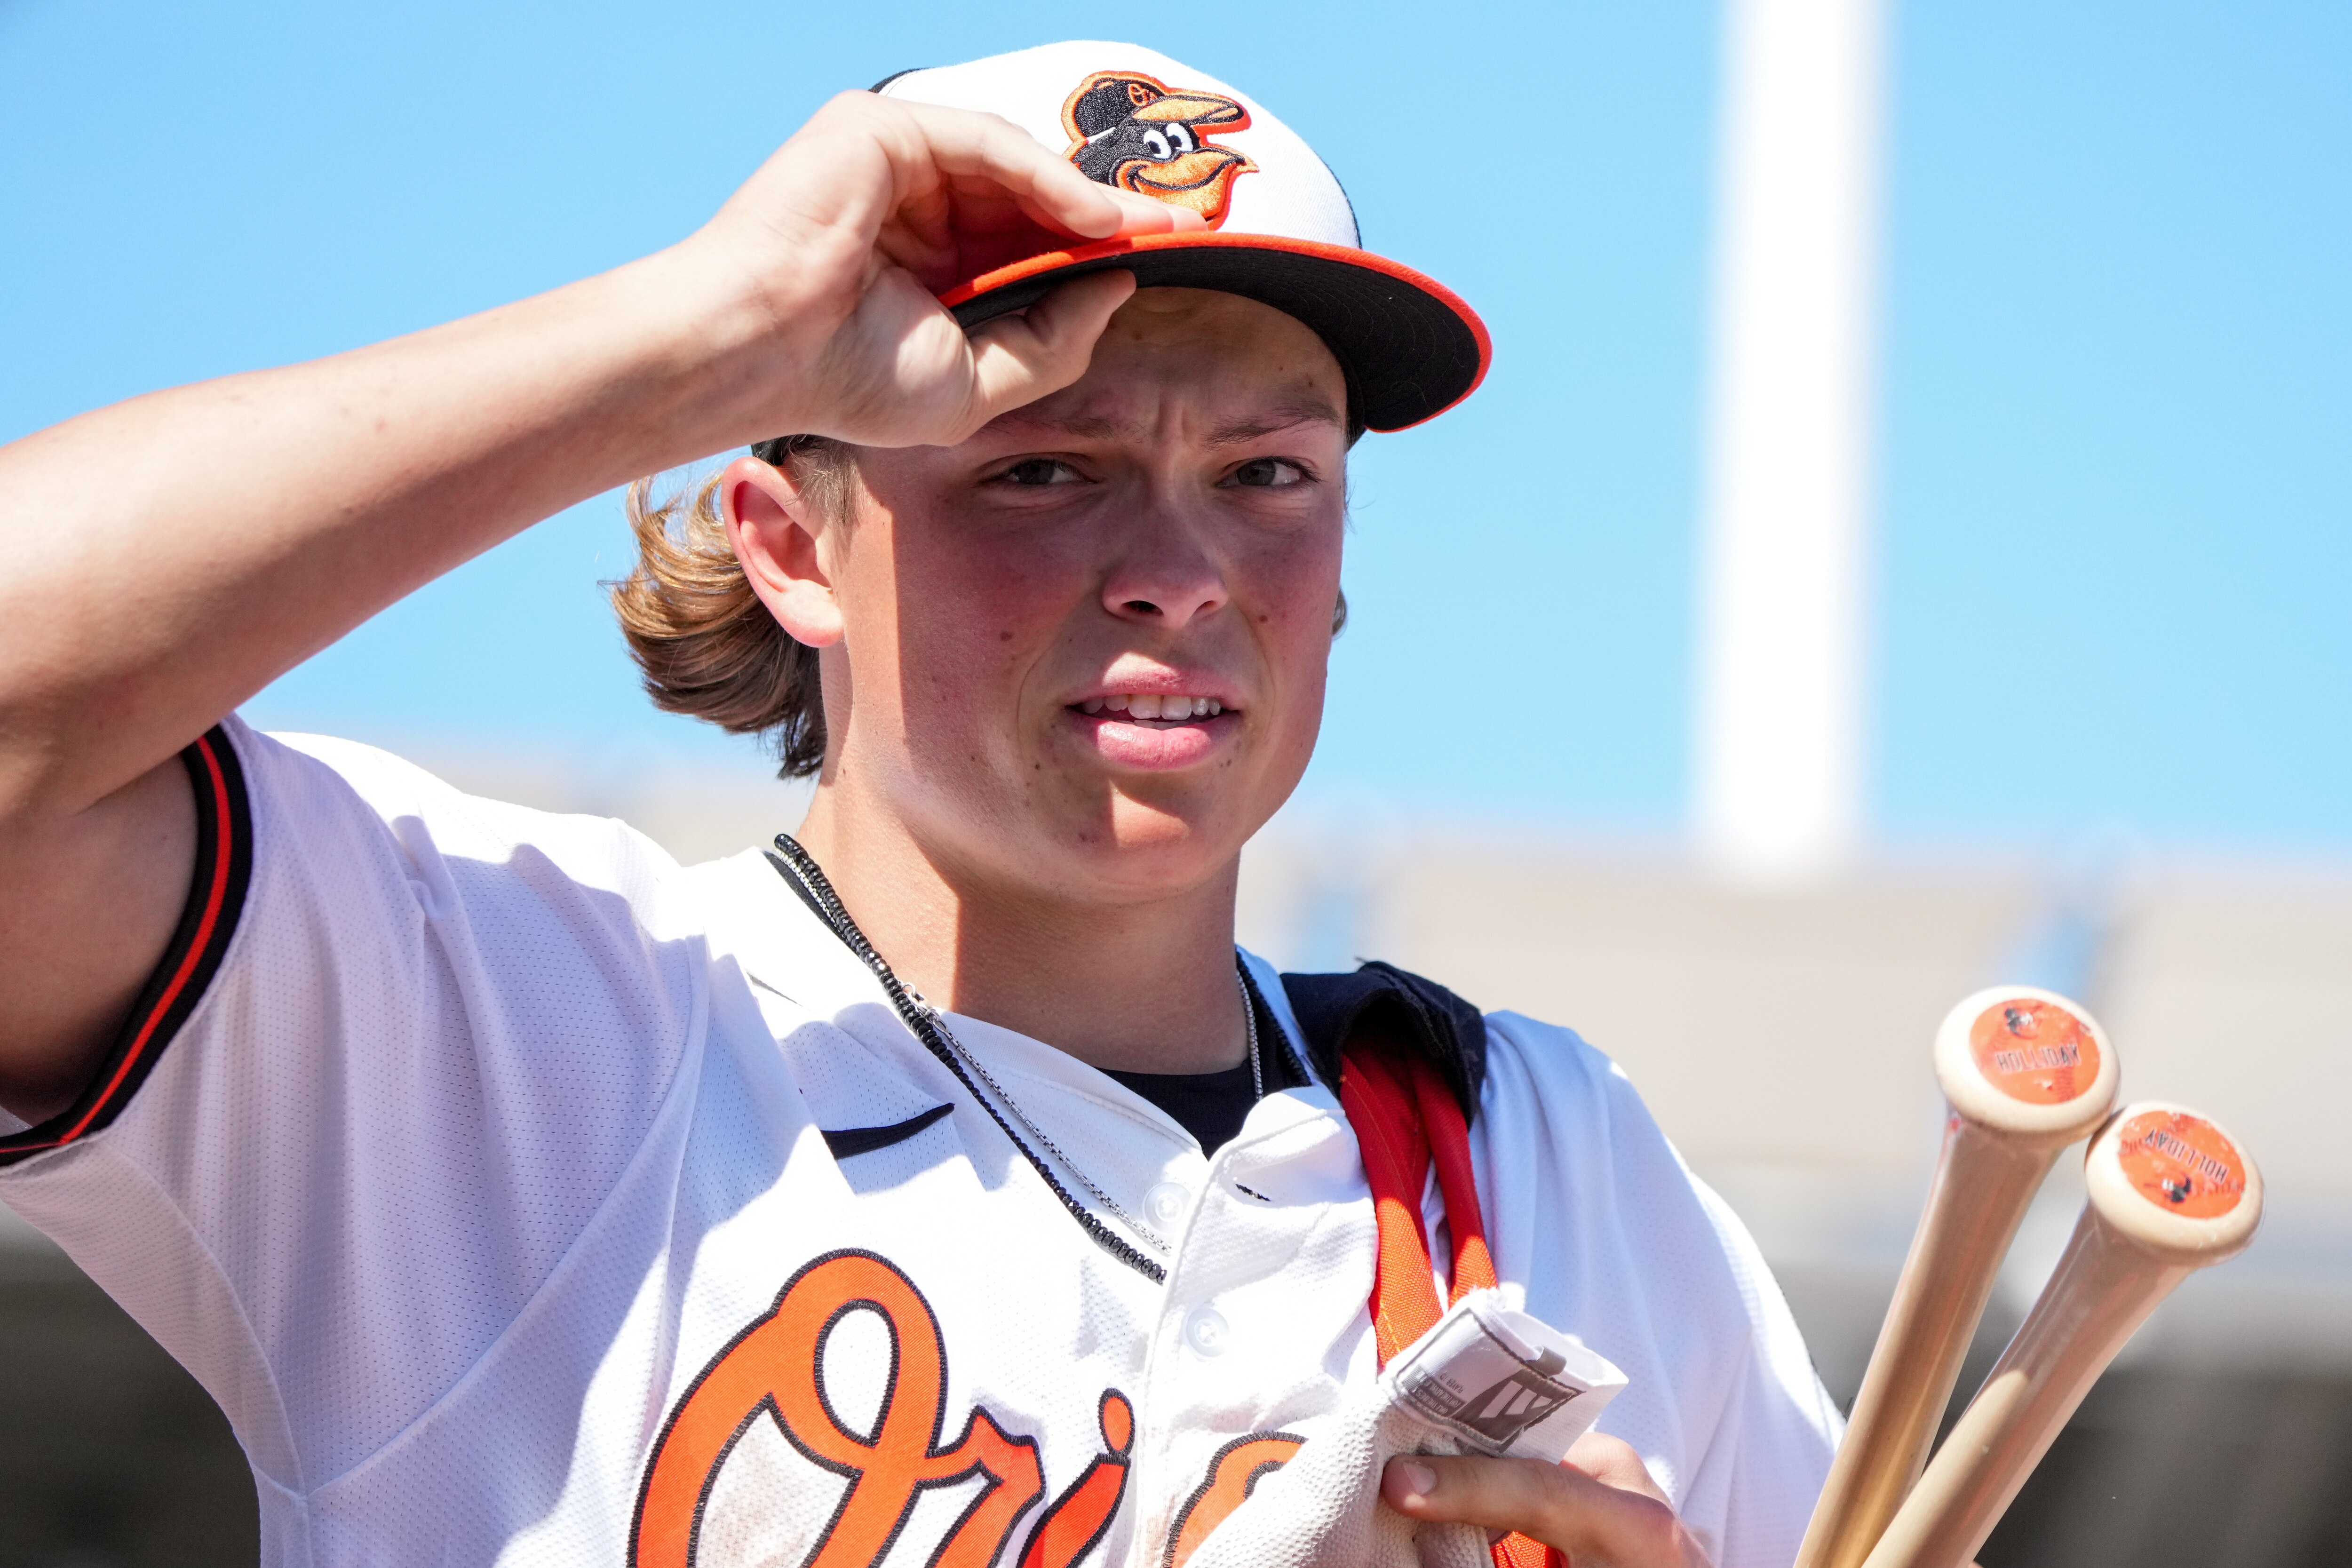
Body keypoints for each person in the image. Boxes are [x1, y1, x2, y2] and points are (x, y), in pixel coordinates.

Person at [0, 40, 1838, 1568]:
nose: (1178, 570)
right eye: (1042, 466)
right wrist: (711, 332)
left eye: (1268, 470)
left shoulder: (1545, 1153)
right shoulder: (497, 1028)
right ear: (795, 545)